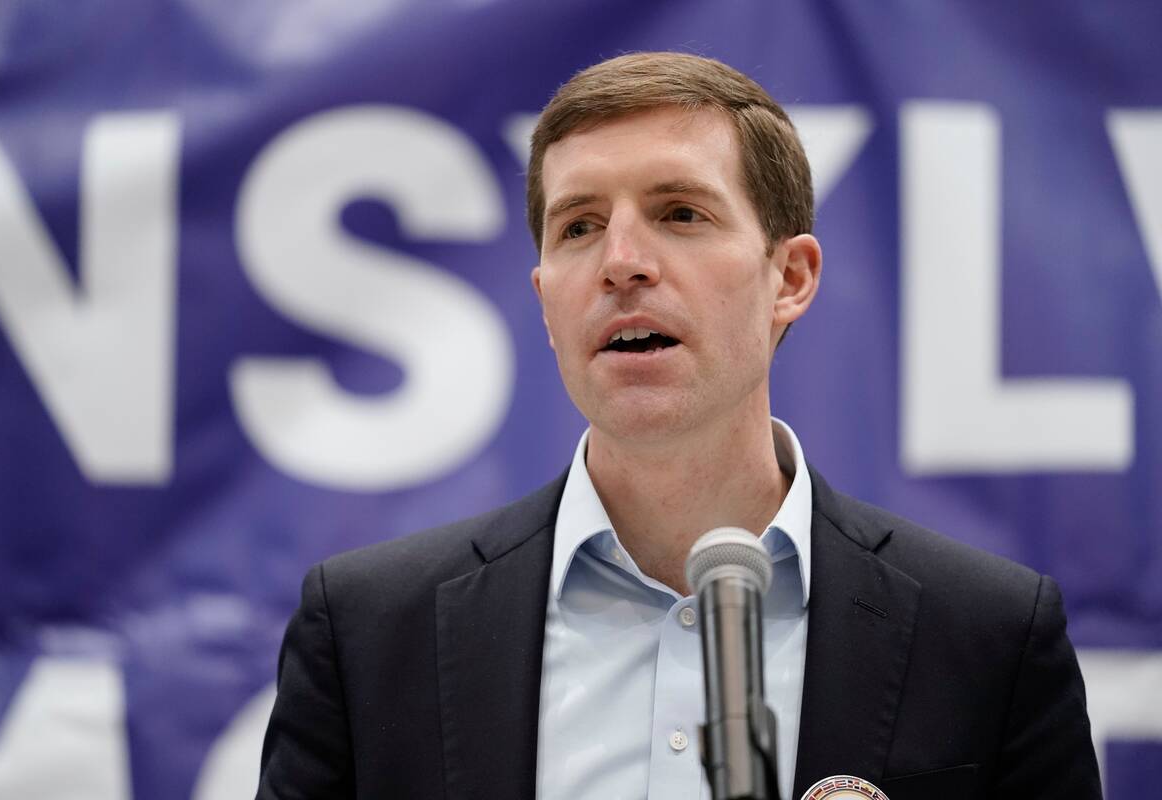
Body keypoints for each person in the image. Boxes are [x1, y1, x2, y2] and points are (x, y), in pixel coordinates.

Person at [256, 52, 1102, 800]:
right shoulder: (369, 632)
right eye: (580, 226)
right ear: (547, 298)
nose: (622, 261)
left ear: (790, 278)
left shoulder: (986, 636)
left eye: (680, 213)